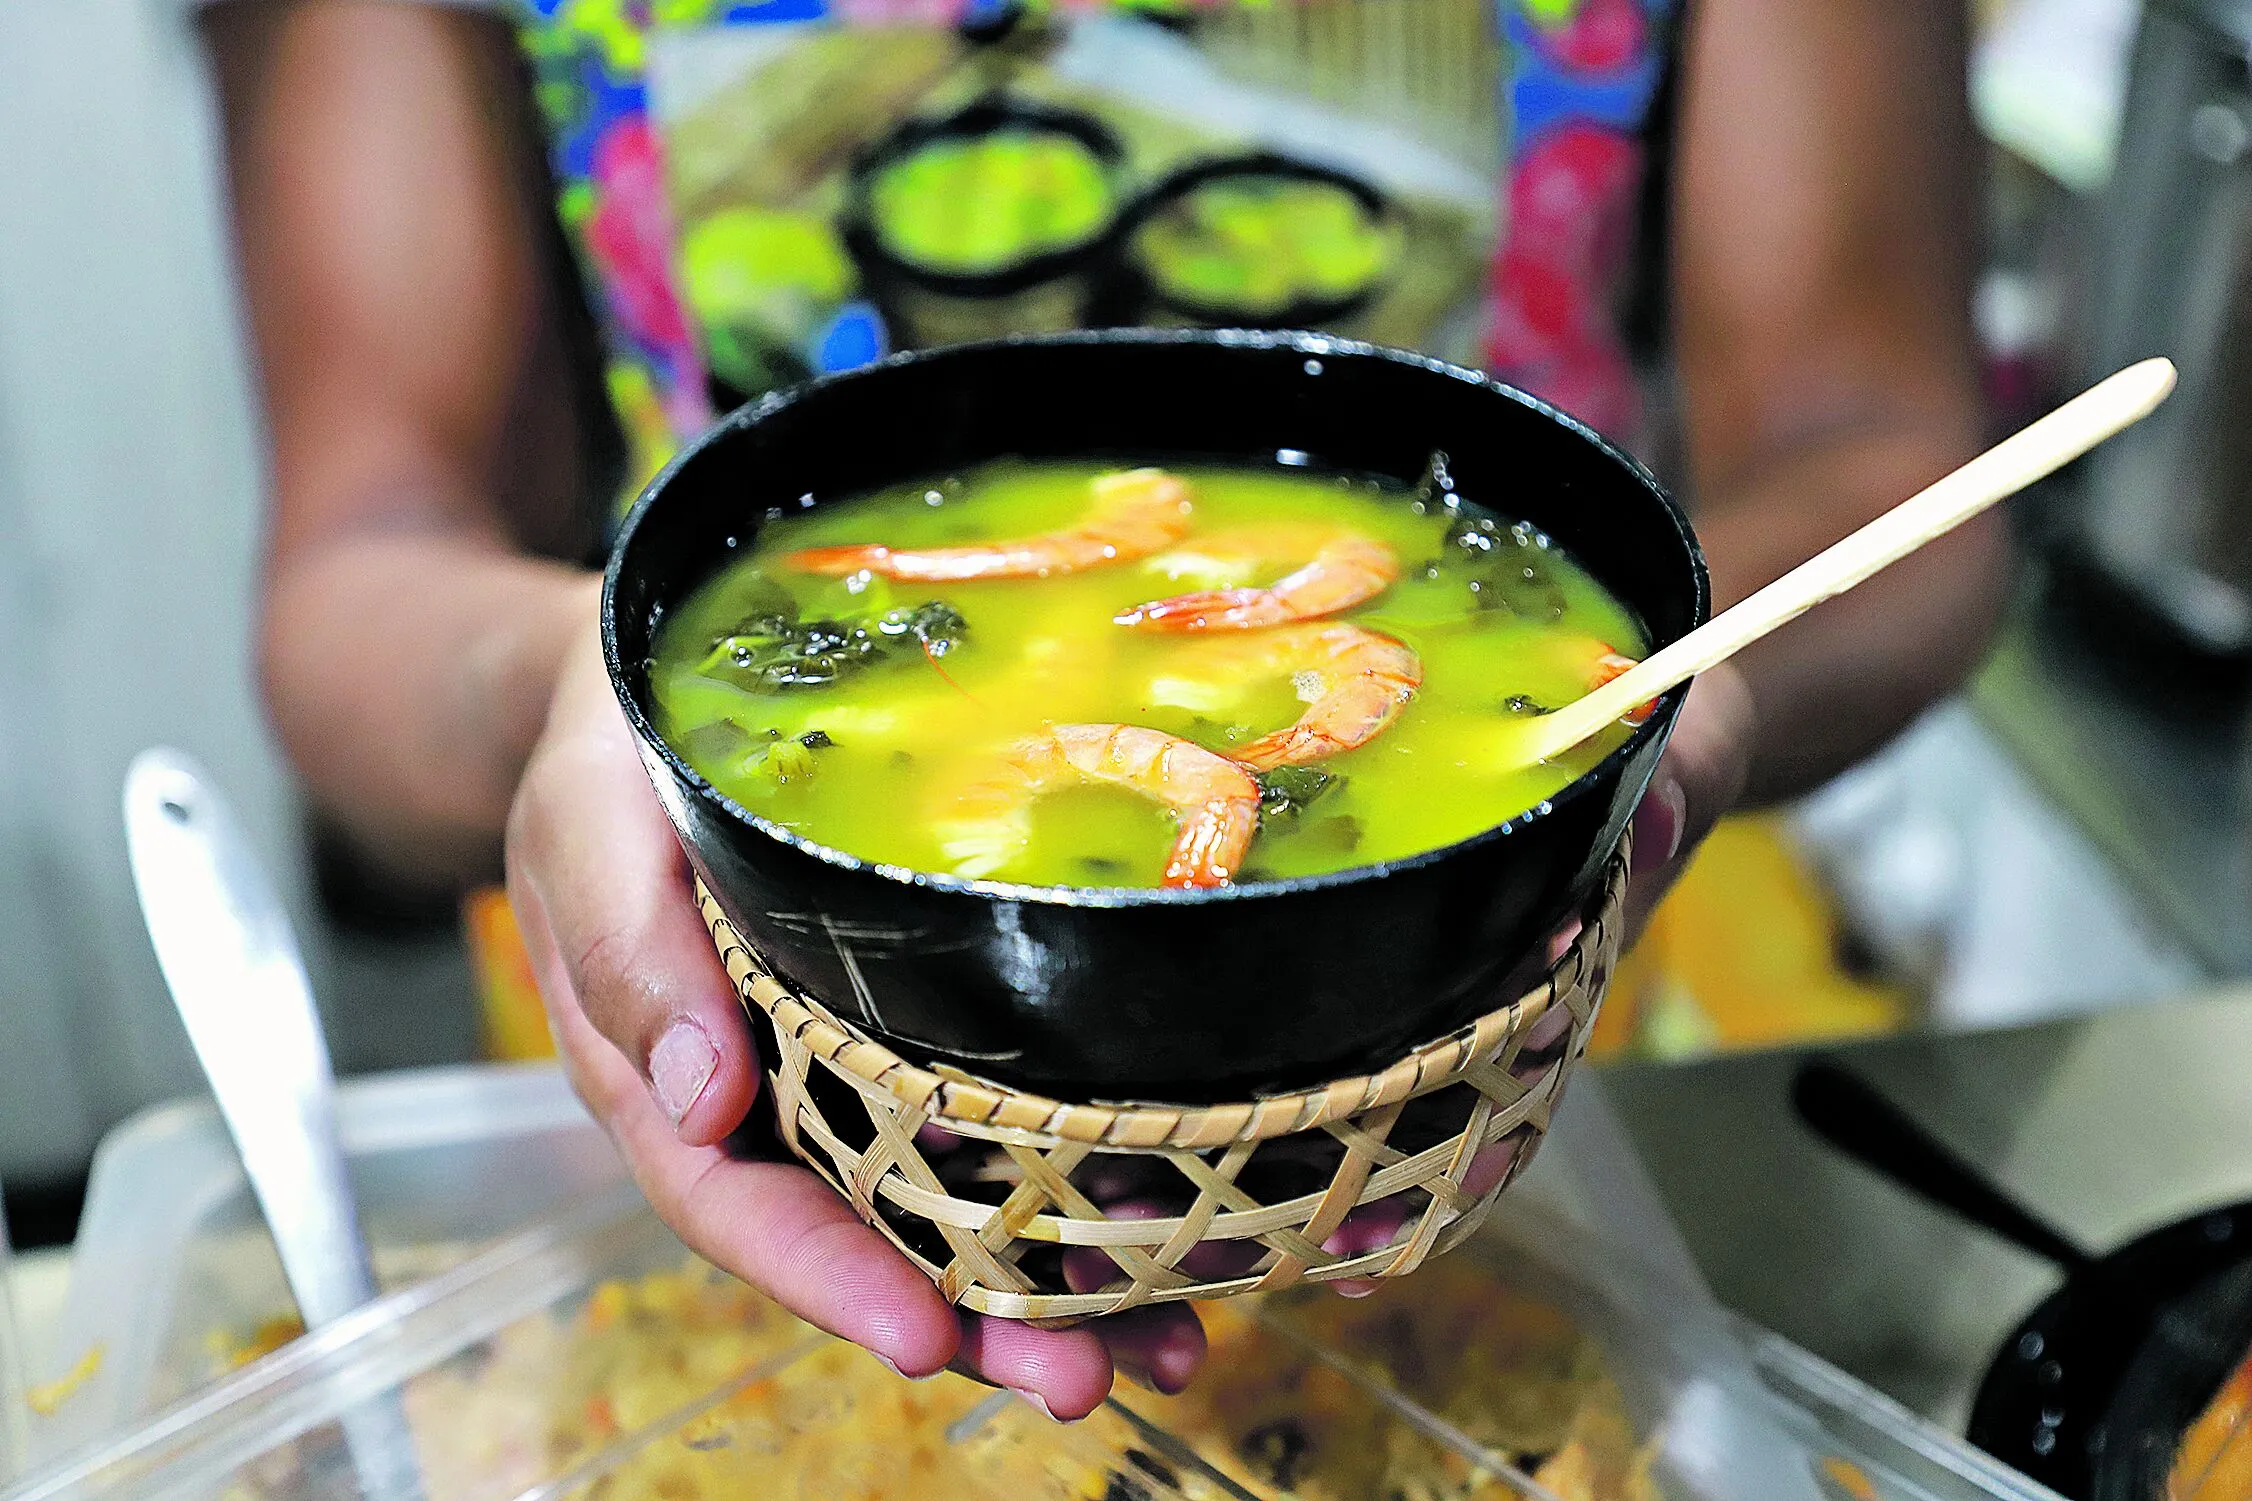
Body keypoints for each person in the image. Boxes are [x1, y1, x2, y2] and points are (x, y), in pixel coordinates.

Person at [209, 0, 2006, 1418]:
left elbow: (1885, 459)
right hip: (751, 999)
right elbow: (365, 551)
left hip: (1508, 1026)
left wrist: (1690, 696)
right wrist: (563, 684)